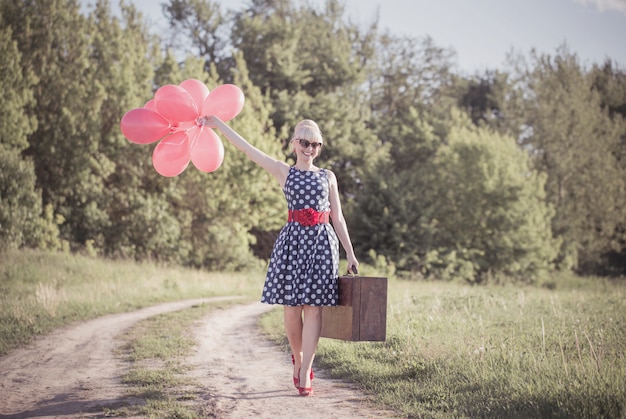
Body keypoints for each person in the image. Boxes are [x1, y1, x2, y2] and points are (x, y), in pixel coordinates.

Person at [205, 115, 359, 397]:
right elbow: (248, 149)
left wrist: (350, 252)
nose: (309, 148)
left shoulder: (328, 176)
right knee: (291, 309)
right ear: (293, 144)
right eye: (304, 142)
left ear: (319, 147)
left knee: (314, 309)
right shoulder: (283, 171)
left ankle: (306, 371)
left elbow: (338, 217)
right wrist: (218, 124)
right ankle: (298, 359)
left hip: (323, 245)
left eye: (315, 143)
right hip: (293, 243)